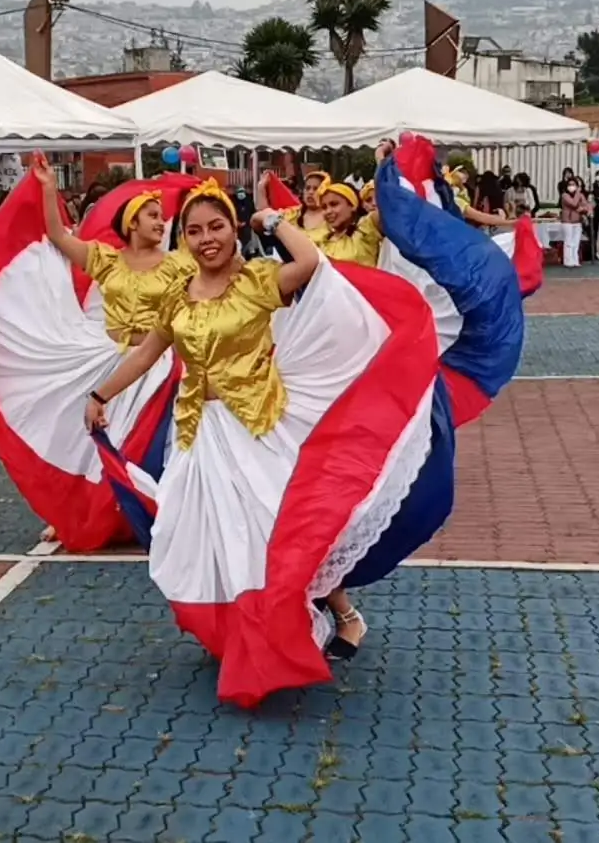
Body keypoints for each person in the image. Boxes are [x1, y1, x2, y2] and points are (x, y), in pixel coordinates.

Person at [83, 176, 442, 707]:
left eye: (218, 226)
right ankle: (238, 630)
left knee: (281, 528)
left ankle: (344, 615)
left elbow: (313, 265)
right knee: (213, 533)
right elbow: (147, 353)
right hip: (196, 436)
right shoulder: (179, 295)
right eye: (195, 229)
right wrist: (100, 394)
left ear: (233, 229)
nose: (207, 238)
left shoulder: (257, 280)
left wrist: (272, 221)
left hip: (257, 426)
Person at [0, 159, 199, 553]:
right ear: (132, 223)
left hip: (159, 363)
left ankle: (142, 510)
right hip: (111, 357)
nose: (161, 222)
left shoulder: (179, 265)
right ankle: (80, 509)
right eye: (153, 216)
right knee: (90, 438)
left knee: (142, 442)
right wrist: (49, 189)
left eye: (162, 216)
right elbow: (56, 234)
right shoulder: (107, 259)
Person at [557, 176, 588, 268]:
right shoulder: (564, 195)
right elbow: (573, 203)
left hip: (577, 221)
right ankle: (568, 260)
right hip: (567, 221)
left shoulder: (580, 195)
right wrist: (578, 193)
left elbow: (586, 206)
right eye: (570, 185)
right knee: (568, 241)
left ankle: (575, 259)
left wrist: (583, 208)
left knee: (576, 242)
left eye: (573, 184)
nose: (571, 186)